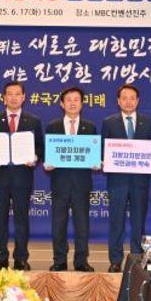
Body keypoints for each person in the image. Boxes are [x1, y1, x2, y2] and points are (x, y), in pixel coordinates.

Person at [0, 81, 44, 270]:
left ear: (24, 97)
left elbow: (40, 147)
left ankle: (21, 258)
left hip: (22, 177)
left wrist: (35, 157)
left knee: (22, 219)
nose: (13, 97)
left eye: (17, 94)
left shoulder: (33, 121)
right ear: (4, 98)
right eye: (9, 94)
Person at [101, 84, 151, 273]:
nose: (128, 102)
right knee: (116, 221)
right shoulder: (109, 122)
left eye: (132, 98)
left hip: (140, 182)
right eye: (124, 98)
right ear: (118, 101)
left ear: (138, 101)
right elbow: (103, 150)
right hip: (117, 182)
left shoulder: (148, 122)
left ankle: (136, 259)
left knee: (138, 222)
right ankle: (115, 260)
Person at [44, 87, 96, 272]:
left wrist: (95, 162)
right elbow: (48, 153)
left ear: (82, 104)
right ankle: (59, 260)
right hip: (60, 183)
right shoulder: (53, 126)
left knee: (82, 225)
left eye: (76, 100)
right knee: (58, 224)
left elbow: (93, 153)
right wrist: (47, 162)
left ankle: (81, 261)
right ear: (62, 104)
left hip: (82, 183)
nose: (72, 103)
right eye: (68, 100)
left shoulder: (90, 127)